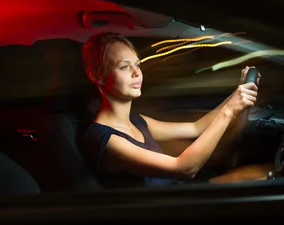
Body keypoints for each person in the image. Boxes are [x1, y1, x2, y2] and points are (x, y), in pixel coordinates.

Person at [80, 31, 268, 189]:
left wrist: (238, 92)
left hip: (180, 193)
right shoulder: (104, 140)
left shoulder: (137, 120)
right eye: (124, 67)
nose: (137, 73)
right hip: (172, 208)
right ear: (98, 76)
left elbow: (195, 128)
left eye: (137, 65)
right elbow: (186, 169)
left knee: (261, 176)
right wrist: (229, 110)